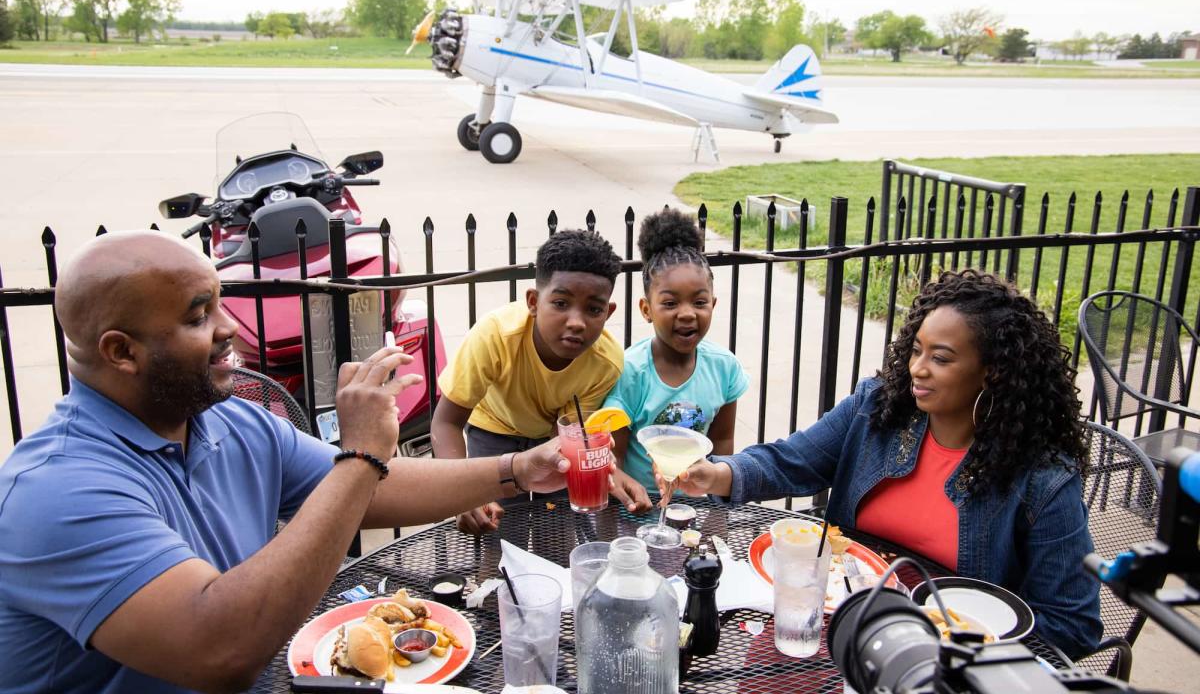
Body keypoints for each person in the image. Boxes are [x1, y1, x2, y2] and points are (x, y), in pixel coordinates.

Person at [0, 231, 574, 694]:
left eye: (219, 303)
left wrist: (518, 470)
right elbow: (221, 652)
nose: (228, 329)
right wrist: (364, 452)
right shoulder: (56, 491)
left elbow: (368, 488)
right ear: (121, 351)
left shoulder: (225, 421)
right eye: (199, 317)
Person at [675, 269, 1102, 658]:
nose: (917, 368)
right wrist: (717, 473)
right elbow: (794, 460)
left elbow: (1070, 626)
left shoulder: (1042, 478)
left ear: (993, 372)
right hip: (837, 630)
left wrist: (973, 638)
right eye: (917, 350)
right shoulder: (878, 409)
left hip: (945, 661)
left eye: (941, 358)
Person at [431, 228, 652, 534]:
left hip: (553, 441)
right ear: (533, 302)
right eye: (561, 304)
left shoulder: (606, 362)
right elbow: (446, 422)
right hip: (493, 431)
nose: (576, 321)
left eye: (593, 309)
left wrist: (605, 473)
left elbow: (567, 434)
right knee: (500, 539)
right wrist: (460, 492)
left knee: (558, 533)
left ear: (608, 312)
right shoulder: (495, 336)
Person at [603, 208, 748, 493]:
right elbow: (615, 458)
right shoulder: (630, 372)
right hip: (636, 513)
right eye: (670, 304)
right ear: (646, 309)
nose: (686, 314)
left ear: (713, 305)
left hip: (695, 509)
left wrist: (717, 513)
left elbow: (722, 445)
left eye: (699, 302)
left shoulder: (725, 368)